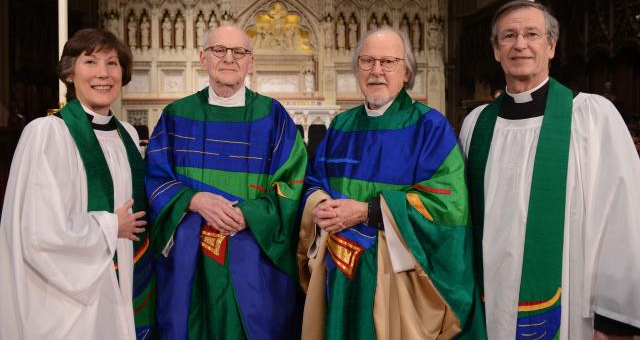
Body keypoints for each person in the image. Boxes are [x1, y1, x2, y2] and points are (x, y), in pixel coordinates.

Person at [460, 0, 640, 339]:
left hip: (570, 301)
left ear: (551, 46)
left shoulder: (591, 117)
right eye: (509, 36)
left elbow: (623, 214)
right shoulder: (476, 125)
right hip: (489, 301)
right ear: (496, 50)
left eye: (532, 34)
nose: (520, 44)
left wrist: (616, 317)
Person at [298, 26, 486, 339]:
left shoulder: (429, 126)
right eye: (367, 61)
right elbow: (315, 180)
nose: (376, 71)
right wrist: (317, 205)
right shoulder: (342, 124)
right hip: (339, 271)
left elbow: (447, 203)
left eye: (388, 62)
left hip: (395, 279)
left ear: (407, 71)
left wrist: (367, 211)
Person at [145, 24, 307, 339]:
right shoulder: (177, 115)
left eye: (239, 52)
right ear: (203, 58)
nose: (229, 58)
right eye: (219, 50)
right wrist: (193, 200)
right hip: (189, 259)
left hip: (253, 255)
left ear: (250, 62)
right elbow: (154, 176)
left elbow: (293, 181)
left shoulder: (272, 116)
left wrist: (252, 214)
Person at [0, 29, 154, 339]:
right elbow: (38, 231)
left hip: (127, 280)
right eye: (90, 62)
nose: (103, 74)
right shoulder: (48, 133)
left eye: (112, 63)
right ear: (70, 73)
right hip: (73, 296)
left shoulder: (126, 134)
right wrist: (112, 227)